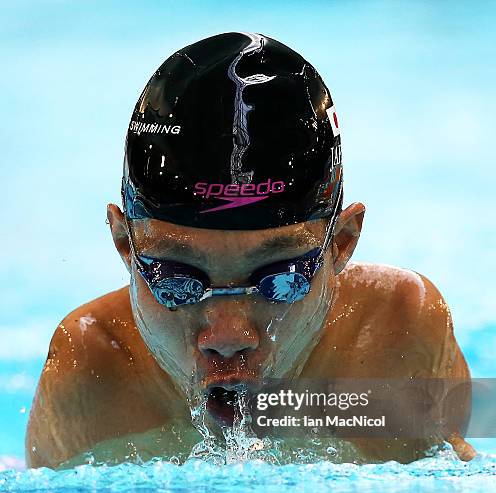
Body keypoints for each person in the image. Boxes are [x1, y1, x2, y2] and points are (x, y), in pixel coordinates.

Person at [25, 32, 476, 469]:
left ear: (341, 243)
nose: (227, 336)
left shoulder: (391, 340)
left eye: (280, 280)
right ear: (125, 243)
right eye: (176, 281)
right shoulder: (93, 372)